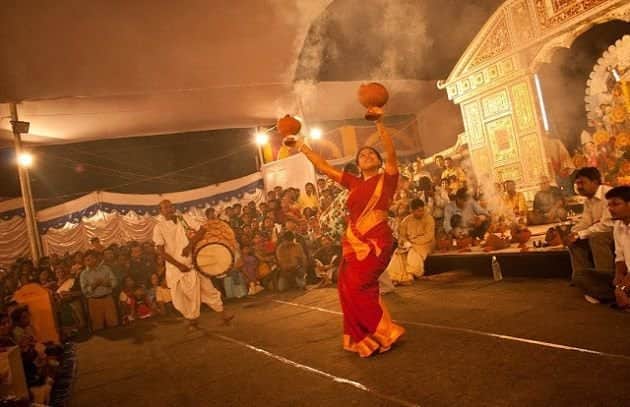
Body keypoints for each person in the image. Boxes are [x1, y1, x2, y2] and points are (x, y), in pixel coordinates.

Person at [292, 115, 405, 357]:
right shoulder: (353, 183)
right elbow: (323, 167)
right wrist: (301, 146)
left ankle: (384, 333)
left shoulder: (387, 179)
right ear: (357, 163)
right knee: (347, 287)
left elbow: (391, 152)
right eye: (362, 155)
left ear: (379, 161)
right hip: (354, 243)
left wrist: (379, 123)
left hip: (377, 242)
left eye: (372, 154)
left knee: (360, 284)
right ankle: (366, 338)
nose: (367, 156)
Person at [152, 200, 233, 329]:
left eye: (170, 206)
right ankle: (192, 321)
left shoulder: (183, 219)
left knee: (209, 289)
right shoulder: (159, 228)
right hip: (175, 269)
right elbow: (160, 252)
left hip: (192, 264)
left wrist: (189, 246)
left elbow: (202, 230)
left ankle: (224, 315)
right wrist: (179, 265)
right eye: (165, 208)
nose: (168, 209)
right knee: (181, 298)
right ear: (160, 211)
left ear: (173, 208)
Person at [566, 167, 614, 304]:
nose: (579, 187)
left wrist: (580, 234)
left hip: (618, 230)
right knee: (574, 241)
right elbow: (586, 221)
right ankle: (584, 281)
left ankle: (604, 285)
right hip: (600, 229)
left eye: (582, 183)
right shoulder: (588, 200)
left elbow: (607, 224)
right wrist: (573, 233)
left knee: (597, 238)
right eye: (577, 184)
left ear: (595, 182)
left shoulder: (609, 194)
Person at [79, 250, 119, 331]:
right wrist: (93, 286)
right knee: (98, 326)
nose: (87, 262)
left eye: (89, 259)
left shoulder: (106, 269)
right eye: (86, 260)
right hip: (94, 301)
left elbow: (114, 282)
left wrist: (107, 284)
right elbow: (84, 291)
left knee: (113, 324)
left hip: (108, 299)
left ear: (95, 259)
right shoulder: (84, 274)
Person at [606, 186, 630, 310]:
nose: (610, 209)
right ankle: (622, 296)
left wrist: (622, 287)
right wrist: (618, 276)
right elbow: (619, 256)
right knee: (582, 276)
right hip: (628, 275)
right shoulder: (618, 225)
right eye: (609, 205)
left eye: (615, 204)